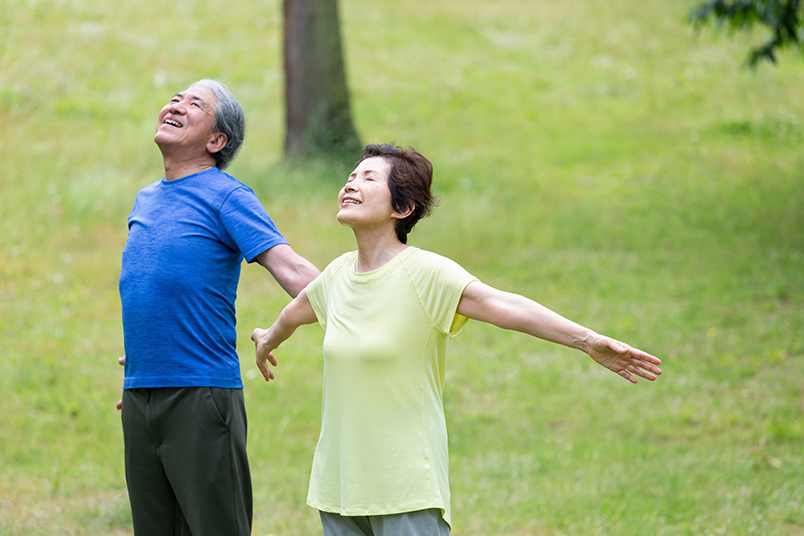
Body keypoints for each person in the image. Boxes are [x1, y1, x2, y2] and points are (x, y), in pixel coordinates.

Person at [251, 143, 663, 536]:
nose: (351, 184)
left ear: (403, 207)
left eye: (368, 179)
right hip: (337, 488)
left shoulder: (426, 274)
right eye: (351, 176)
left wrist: (586, 340)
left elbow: (503, 305)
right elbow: (294, 313)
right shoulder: (337, 277)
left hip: (405, 489)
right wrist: (267, 340)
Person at [117, 78, 320, 536]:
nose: (176, 104)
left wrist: (369, 301)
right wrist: (145, 367)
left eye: (194, 104)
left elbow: (290, 269)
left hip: (200, 396)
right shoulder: (146, 199)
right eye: (175, 97)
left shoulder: (226, 195)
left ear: (216, 140)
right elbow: (154, 288)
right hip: (140, 395)